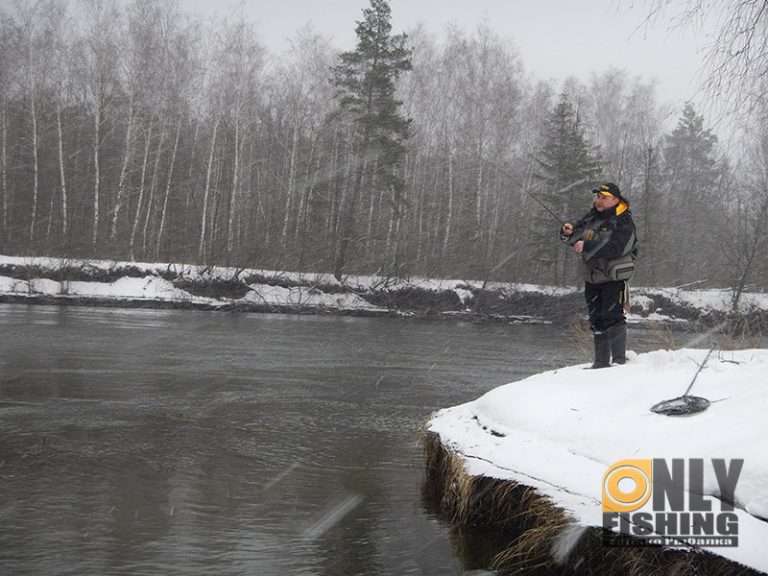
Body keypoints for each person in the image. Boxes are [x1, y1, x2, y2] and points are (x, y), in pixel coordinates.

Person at [560, 182, 638, 368]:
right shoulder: (592, 217)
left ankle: (619, 362)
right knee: (596, 318)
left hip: (614, 277)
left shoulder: (624, 221)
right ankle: (601, 363)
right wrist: (567, 232)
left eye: (604, 197)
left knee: (613, 316)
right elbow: (577, 236)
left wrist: (587, 245)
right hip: (592, 276)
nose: (599, 200)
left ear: (615, 199)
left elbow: (618, 247)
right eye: (598, 197)